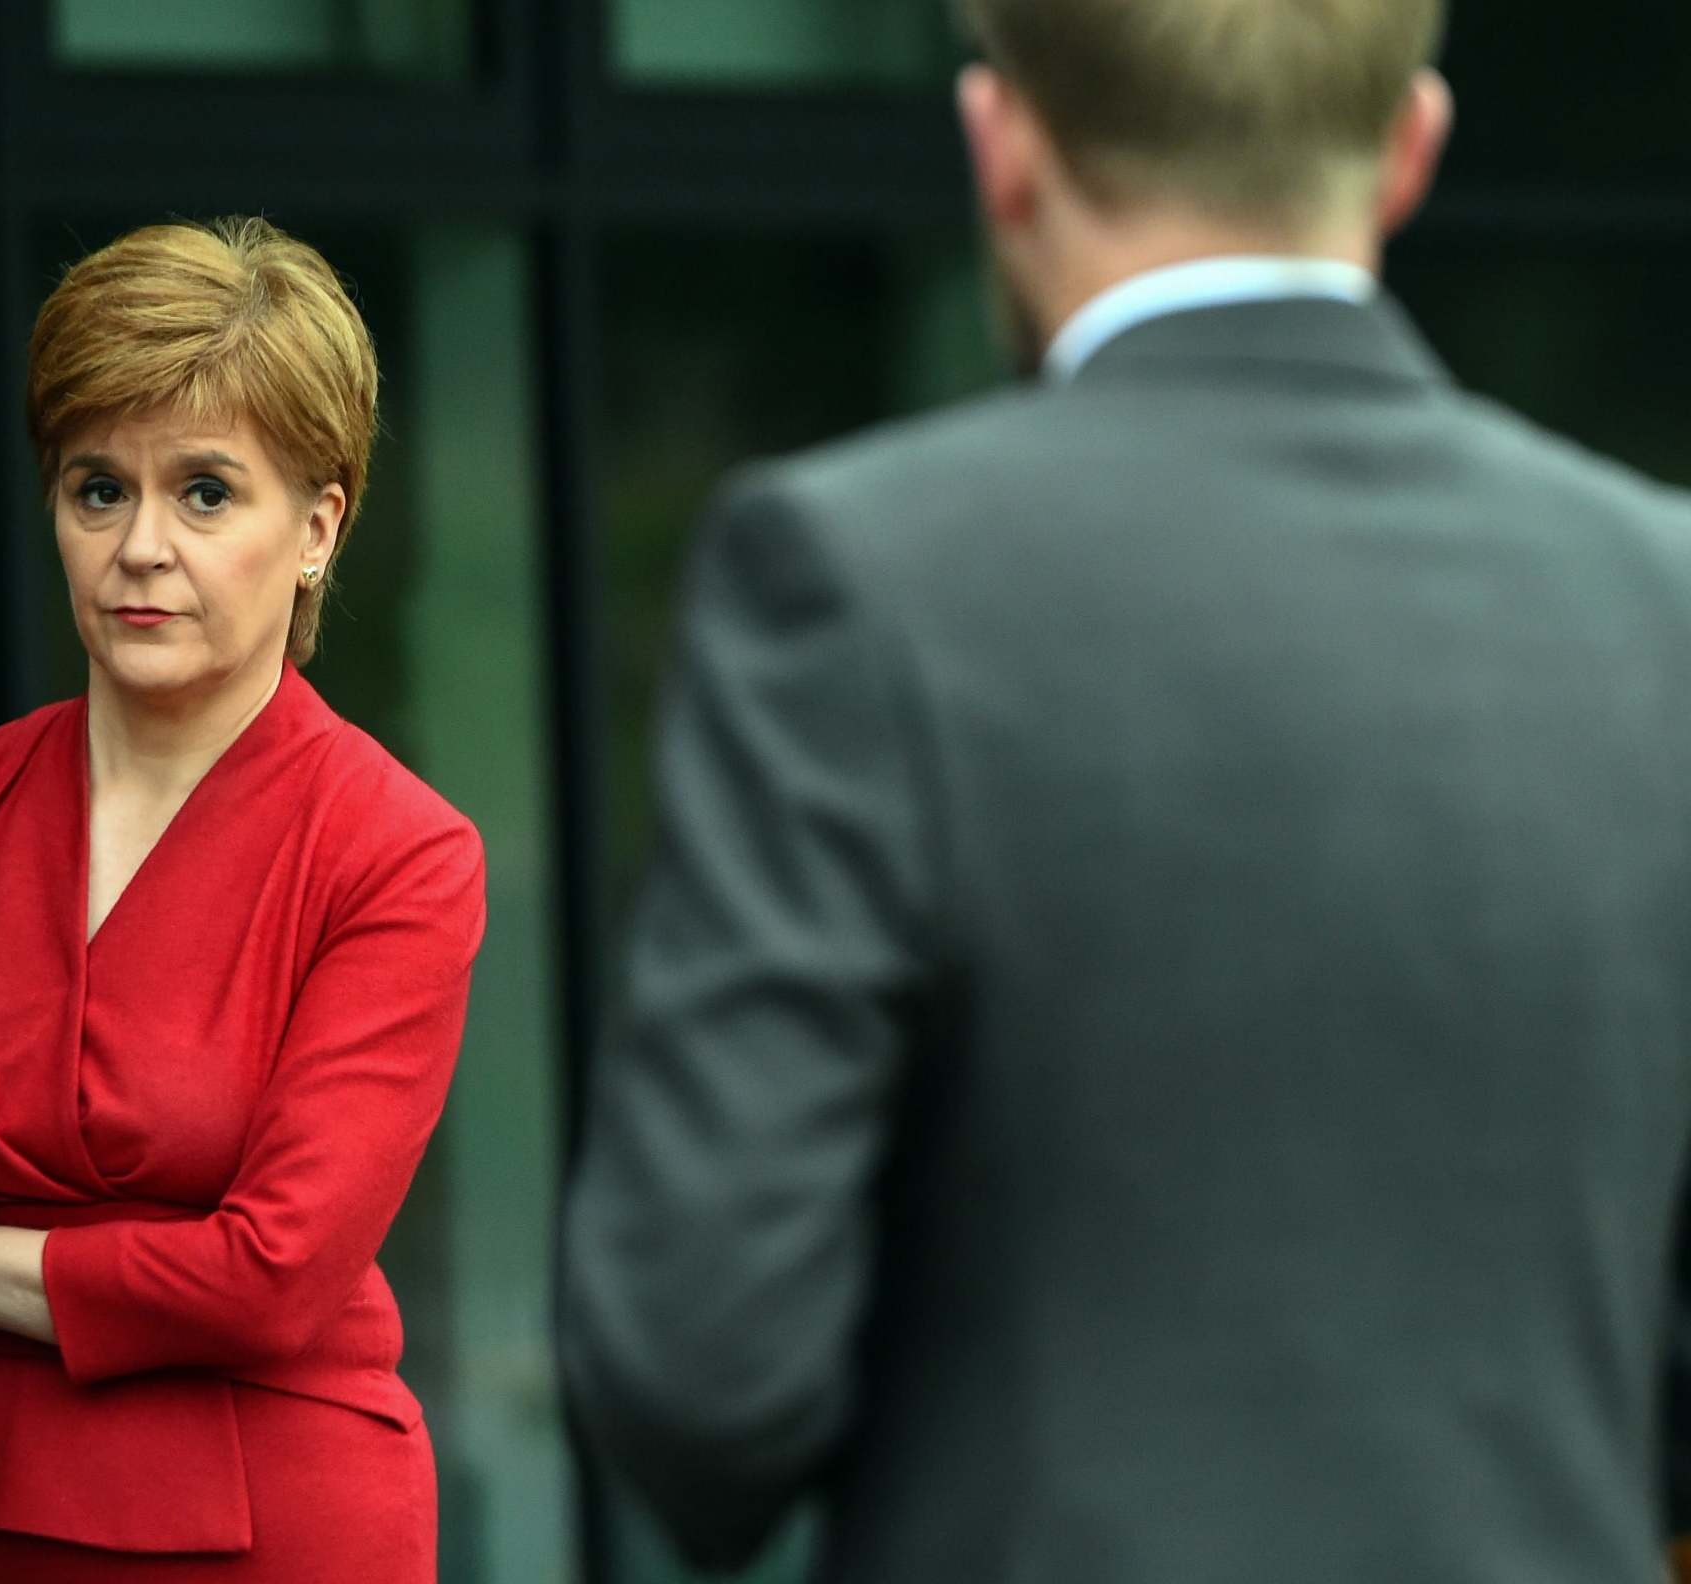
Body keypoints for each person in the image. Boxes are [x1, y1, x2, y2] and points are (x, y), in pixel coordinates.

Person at [558, 2, 1691, 1580]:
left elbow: (698, 1368)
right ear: (1413, 146)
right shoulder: (1660, 598)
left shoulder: (862, 579)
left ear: (1002, 145)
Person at [0, 216, 482, 1582]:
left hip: (269, 1530)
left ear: (318, 525)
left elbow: (268, 1279)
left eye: (208, 493)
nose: (142, 546)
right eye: (98, 488)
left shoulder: (395, 850)